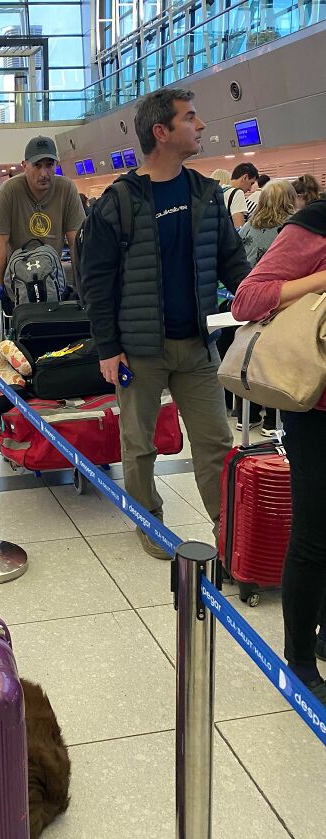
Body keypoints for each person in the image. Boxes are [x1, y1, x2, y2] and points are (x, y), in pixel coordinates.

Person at [80, 88, 250, 558]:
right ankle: (147, 518)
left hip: (197, 344)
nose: (200, 126)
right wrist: (108, 348)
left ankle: (227, 528)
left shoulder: (206, 193)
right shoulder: (117, 202)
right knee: (138, 446)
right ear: (162, 131)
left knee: (215, 441)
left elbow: (232, 261)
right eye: (190, 118)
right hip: (138, 349)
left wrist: (260, 297)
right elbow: (95, 281)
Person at [231, 197, 326, 702]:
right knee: (314, 535)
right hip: (316, 407)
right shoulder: (315, 224)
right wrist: (320, 278)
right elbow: (247, 299)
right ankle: (300, 661)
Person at [0, 135, 85, 302]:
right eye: (37, 166)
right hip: (19, 279)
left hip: (52, 279)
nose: (44, 173)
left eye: (49, 165)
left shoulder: (66, 188)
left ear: (57, 164)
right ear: (24, 166)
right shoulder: (9, 190)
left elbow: (76, 242)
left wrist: (81, 287)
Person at [235, 180, 298, 435]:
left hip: (247, 299)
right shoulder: (290, 229)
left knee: (248, 356)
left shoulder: (248, 226)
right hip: (278, 300)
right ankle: (273, 421)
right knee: (275, 361)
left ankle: (245, 416)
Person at [212, 163, 258, 228]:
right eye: (251, 183)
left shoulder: (220, 191)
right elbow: (239, 228)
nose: (250, 189)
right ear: (245, 177)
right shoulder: (237, 193)